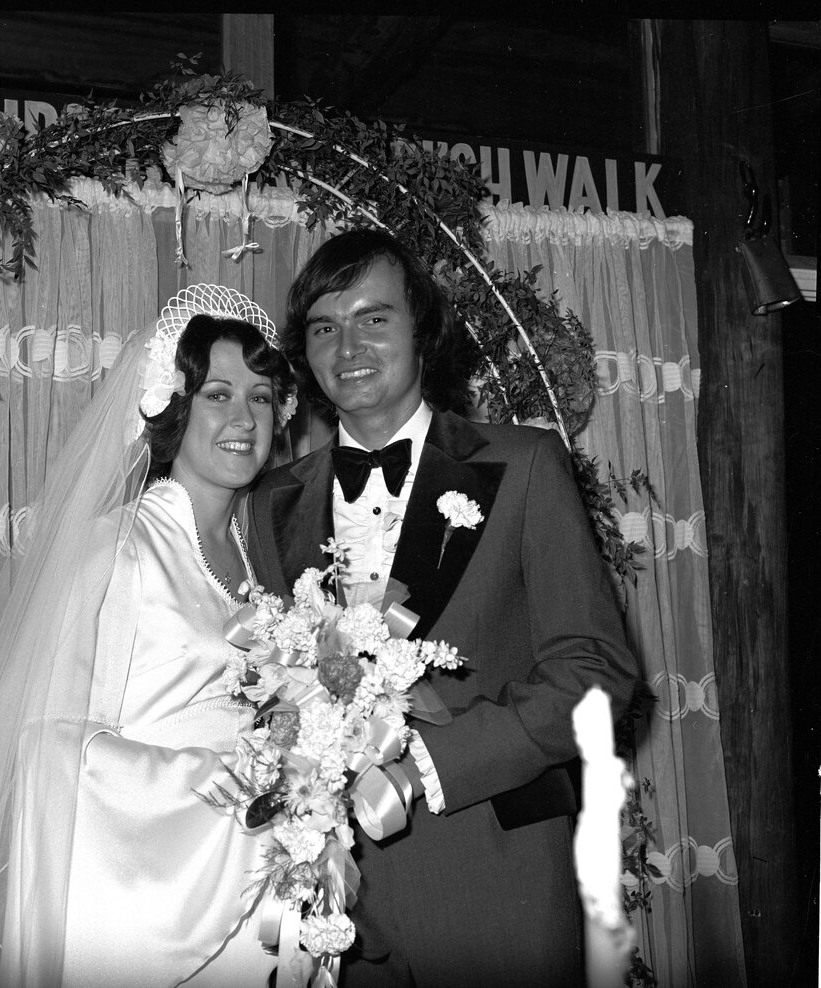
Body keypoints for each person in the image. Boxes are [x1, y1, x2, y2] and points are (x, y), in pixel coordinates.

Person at [245, 230, 639, 987]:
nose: (348, 346)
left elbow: (595, 674)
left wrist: (427, 764)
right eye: (324, 327)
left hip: (493, 884)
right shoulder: (272, 501)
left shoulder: (523, 465)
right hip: (338, 906)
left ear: (422, 331)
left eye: (374, 318)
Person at [0, 286, 297, 988]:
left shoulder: (269, 561)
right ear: (171, 406)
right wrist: (228, 793)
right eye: (218, 395)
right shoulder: (117, 550)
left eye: (261, 397)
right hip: (155, 895)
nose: (245, 418)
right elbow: (53, 747)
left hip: (259, 895)